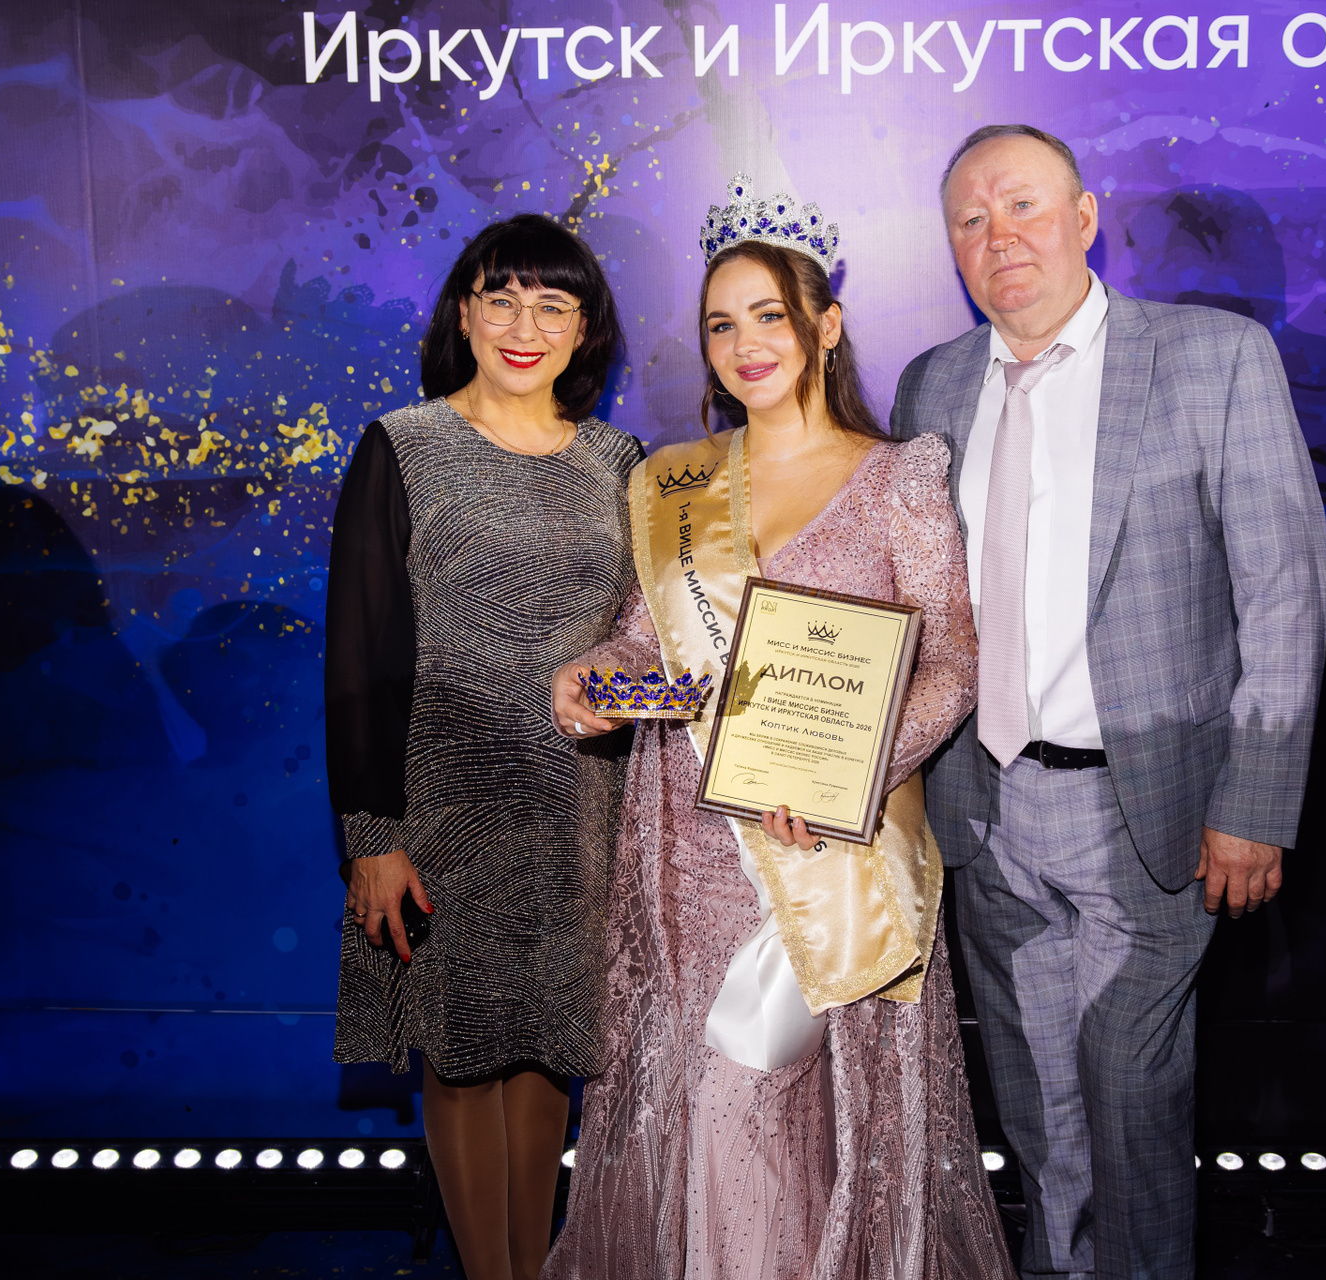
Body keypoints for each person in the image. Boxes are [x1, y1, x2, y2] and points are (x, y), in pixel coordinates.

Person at [542, 176, 1013, 1280]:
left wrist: (855, 776)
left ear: (825, 325)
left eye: (770, 315)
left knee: (765, 1095)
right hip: (693, 855)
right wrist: (593, 681)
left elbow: (953, 660)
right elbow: (652, 650)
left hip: (829, 848)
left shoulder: (898, 477)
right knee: (720, 1114)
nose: (746, 344)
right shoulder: (674, 482)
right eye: (721, 324)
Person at [891, 126, 1326, 1278]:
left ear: (1085, 218)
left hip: (1150, 813)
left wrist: (1256, 800)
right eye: (971, 220)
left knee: (1132, 1099)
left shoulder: (1213, 357)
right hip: (985, 811)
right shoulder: (933, 383)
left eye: (1024, 206)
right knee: (1039, 1116)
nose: (1000, 236)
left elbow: (1285, 590)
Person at [325, 213, 643, 1280]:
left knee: (552, 1047)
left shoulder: (619, 461)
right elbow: (359, 657)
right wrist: (372, 837)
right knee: (460, 1053)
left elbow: (646, 635)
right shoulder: (403, 445)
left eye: (553, 305)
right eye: (500, 299)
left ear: (585, 329)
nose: (524, 326)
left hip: (576, 820)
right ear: (463, 314)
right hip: (441, 815)